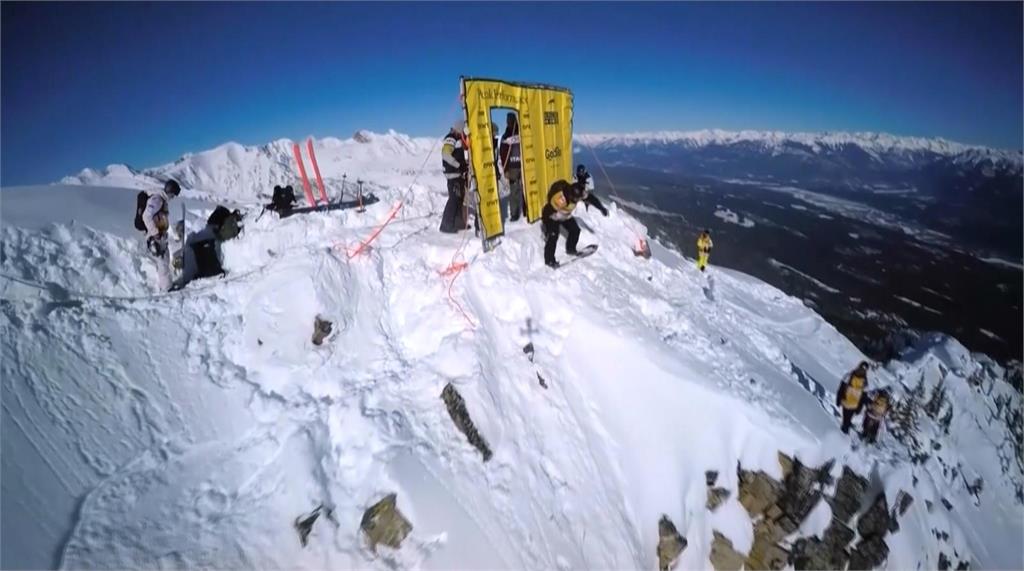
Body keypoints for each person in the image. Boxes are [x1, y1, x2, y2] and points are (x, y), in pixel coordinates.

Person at [541, 178, 608, 268]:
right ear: (570, 195)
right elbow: (546, 213)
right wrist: (548, 229)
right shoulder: (560, 198)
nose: (577, 201)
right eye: (575, 199)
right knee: (553, 235)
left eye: (578, 199)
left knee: (575, 230)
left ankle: (571, 249)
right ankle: (549, 260)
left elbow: (591, 198)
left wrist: (601, 208)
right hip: (552, 215)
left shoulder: (579, 193)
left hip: (565, 214)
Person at [140, 179, 181, 291]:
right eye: (173, 194)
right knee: (163, 261)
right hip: (156, 237)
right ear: (169, 191)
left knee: (164, 260)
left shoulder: (162, 200)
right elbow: (146, 216)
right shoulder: (157, 200)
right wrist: (155, 233)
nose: (173, 197)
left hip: (160, 236)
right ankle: (167, 288)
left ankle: (166, 285)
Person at [439, 119, 469, 234]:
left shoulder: (457, 138)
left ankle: (458, 222)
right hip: (452, 173)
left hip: (458, 173)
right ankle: (446, 225)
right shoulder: (451, 138)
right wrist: (459, 165)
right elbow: (446, 154)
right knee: (454, 198)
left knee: (459, 198)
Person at [498, 112, 524, 221]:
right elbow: (503, 153)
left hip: (516, 167)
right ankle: (518, 212)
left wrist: (505, 169)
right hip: (520, 167)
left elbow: (503, 154)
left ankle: (517, 213)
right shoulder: (521, 132)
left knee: (516, 191)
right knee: (518, 190)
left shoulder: (506, 136)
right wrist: (506, 169)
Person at [836, 361, 870, 434]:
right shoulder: (865, 381)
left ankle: (843, 433)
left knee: (846, 420)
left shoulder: (849, 375)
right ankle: (844, 433)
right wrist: (859, 408)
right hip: (854, 404)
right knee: (847, 420)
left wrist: (838, 399)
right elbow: (864, 397)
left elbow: (841, 387)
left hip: (846, 401)